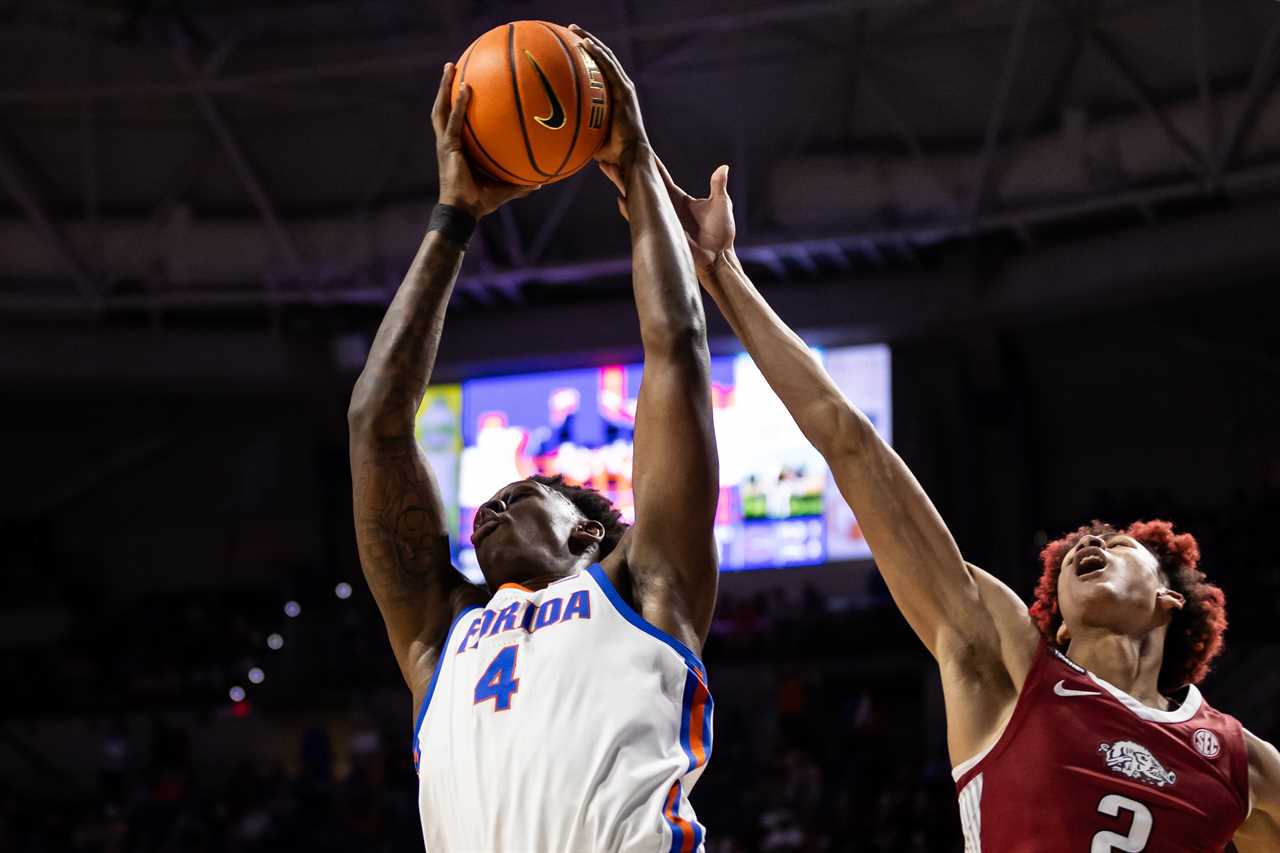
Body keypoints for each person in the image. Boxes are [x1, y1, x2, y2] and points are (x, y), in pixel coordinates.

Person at [605, 159, 1280, 851]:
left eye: (1116, 541)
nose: (1089, 543)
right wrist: (720, 270)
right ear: (1062, 628)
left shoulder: (1238, 760)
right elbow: (850, 440)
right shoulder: (1004, 655)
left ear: (1171, 598)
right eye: (1080, 543)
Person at [346, 27, 719, 853]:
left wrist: (635, 161)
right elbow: (376, 421)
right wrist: (454, 216)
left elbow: (676, 351)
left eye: (521, 495)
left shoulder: (647, 584)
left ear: (589, 528)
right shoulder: (436, 636)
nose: (492, 503)